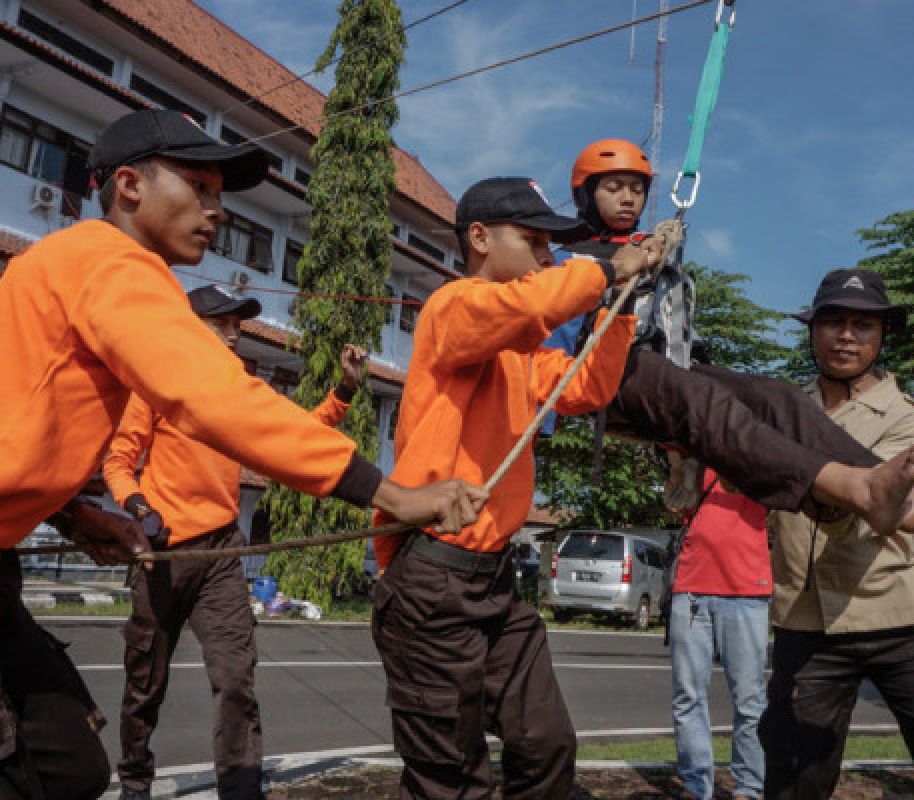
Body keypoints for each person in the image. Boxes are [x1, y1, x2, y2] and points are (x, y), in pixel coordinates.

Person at [0, 109, 484, 800]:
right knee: (67, 747)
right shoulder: (112, 264)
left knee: (69, 764)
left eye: (219, 193)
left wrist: (73, 516)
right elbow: (214, 398)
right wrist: (389, 493)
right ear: (130, 185)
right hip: (165, 551)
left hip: (206, 547)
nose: (215, 209)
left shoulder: (70, 267)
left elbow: (21, 419)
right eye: (198, 186)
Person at [370, 176, 664, 799]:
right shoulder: (454, 308)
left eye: (548, 246)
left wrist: (624, 304)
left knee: (545, 744)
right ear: (478, 238)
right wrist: (607, 268)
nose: (545, 257)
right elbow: (533, 306)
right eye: (532, 241)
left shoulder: (519, 350)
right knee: (450, 776)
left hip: (493, 578)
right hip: (431, 578)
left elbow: (586, 388)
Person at [552, 138, 914, 536]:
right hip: (602, 378)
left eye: (636, 188)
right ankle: (858, 489)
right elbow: (551, 344)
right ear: (585, 194)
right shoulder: (572, 261)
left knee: (776, 396)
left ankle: (897, 493)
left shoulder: (650, 249)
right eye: (613, 188)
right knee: (708, 404)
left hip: (665, 369)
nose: (628, 198)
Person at [103, 285, 369, 800]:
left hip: (222, 553)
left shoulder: (240, 390)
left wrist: (344, 393)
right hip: (160, 555)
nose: (235, 332)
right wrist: (140, 509)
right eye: (224, 322)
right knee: (144, 686)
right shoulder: (154, 385)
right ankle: (135, 780)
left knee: (236, 678)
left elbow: (293, 432)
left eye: (239, 323)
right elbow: (117, 462)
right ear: (192, 326)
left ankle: (241, 789)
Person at [757, 269, 914, 800]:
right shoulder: (784, 409)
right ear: (812, 330)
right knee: (793, 776)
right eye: (833, 322)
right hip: (807, 620)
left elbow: (864, 501)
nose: (846, 336)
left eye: (862, 325)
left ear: (881, 337)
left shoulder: (907, 419)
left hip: (896, 612)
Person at [668, 469, 771, 800]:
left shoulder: (759, 450)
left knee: (749, 698)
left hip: (746, 588)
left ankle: (750, 787)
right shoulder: (692, 457)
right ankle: (696, 785)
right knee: (687, 695)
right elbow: (675, 503)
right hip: (692, 586)